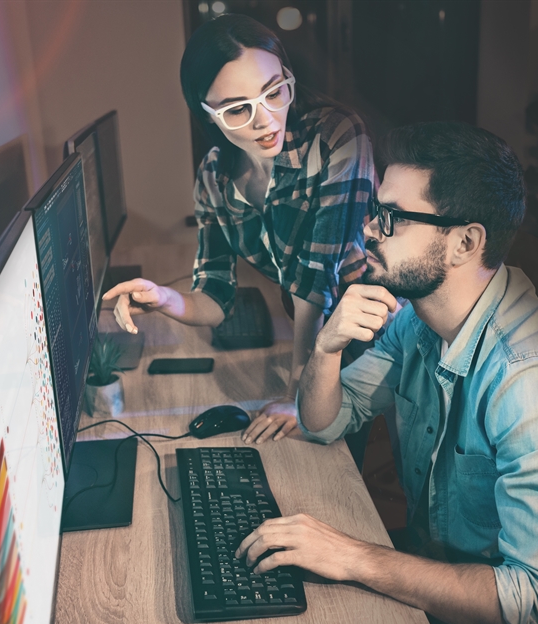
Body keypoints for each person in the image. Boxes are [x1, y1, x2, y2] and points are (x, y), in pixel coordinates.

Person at [235, 122, 538, 624]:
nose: (370, 232)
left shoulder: (537, 382)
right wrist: (327, 348)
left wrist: (356, 557)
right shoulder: (421, 322)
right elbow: (324, 422)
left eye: (393, 219)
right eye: (375, 213)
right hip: (448, 581)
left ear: (464, 242)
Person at [103, 15, 375, 445]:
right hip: (315, 339)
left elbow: (315, 283)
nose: (265, 119)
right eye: (237, 109)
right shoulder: (214, 177)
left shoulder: (337, 136)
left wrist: (296, 393)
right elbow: (214, 298)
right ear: (207, 114)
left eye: (275, 91)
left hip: (371, 336)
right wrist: (162, 298)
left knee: (339, 466)